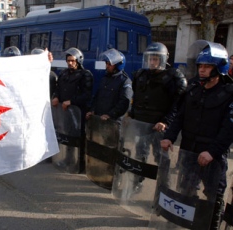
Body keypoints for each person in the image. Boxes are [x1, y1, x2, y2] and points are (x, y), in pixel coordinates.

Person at [160, 41, 233, 230]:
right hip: (188, 151)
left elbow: (229, 128)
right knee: (186, 190)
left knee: (214, 196)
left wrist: (213, 152)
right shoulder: (193, 89)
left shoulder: (229, 93)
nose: (202, 70)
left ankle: (211, 227)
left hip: (211, 156)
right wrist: (169, 136)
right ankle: (184, 224)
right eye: (200, 66)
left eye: (207, 66)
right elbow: (179, 116)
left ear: (219, 68)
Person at [129, 42, 187, 191]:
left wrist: (166, 122)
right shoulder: (140, 75)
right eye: (150, 59)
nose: (152, 62)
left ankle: (163, 188)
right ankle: (137, 182)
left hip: (159, 126)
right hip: (142, 123)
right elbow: (136, 98)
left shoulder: (173, 77)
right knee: (140, 154)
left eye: (155, 59)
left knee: (161, 159)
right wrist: (131, 114)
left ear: (162, 59)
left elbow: (178, 105)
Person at [52, 47, 93, 170]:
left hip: (78, 112)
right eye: (68, 60)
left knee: (78, 138)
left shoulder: (86, 75)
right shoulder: (64, 73)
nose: (70, 63)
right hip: (65, 112)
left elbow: (87, 94)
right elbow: (58, 88)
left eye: (72, 60)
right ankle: (68, 159)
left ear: (78, 60)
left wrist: (71, 101)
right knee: (67, 136)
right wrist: (56, 97)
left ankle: (80, 163)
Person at [86, 48, 132, 122]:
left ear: (118, 65)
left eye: (109, 64)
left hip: (113, 122)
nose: (107, 66)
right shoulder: (105, 78)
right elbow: (97, 97)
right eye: (106, 63)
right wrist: (92, 110)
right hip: (100, 119)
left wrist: (110, 115)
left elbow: (124, 103)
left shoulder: (125, 81)